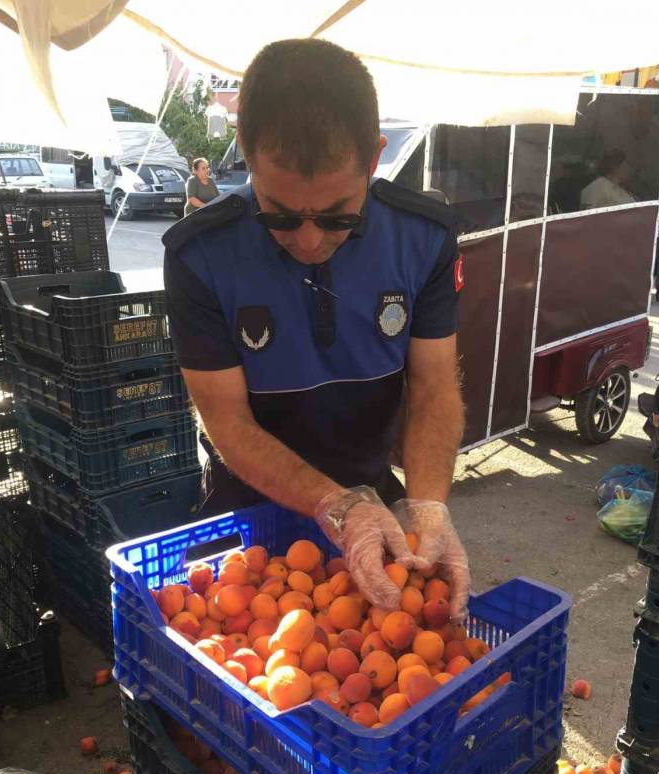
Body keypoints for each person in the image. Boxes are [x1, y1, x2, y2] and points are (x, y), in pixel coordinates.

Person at [163, 39, 469, 619]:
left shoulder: (423, 239)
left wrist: (428, 505)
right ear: (246, 152)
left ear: (374, 159)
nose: (307, 241)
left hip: (376, 501)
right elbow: (226, 421)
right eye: (278, 213)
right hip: (246, 518)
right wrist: (336, 506)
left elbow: (433, 388)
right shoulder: (199, 255)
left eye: (336, 216)